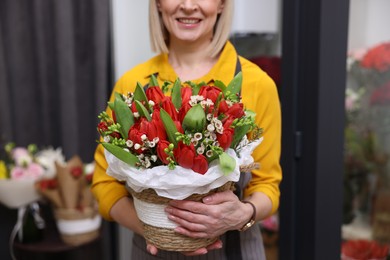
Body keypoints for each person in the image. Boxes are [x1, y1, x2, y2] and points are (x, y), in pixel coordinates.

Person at [92, 0, 282, 259]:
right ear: (158, 4)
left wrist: (243, 214)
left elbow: (267, 185)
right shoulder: (132, 84)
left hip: (234, 248)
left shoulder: (257, 84)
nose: (188, 5)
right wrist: (154, 229)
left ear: (222, 4)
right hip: (153, 250)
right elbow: (105, 184)